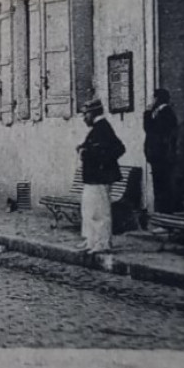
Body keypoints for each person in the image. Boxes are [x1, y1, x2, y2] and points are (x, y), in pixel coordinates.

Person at [77, 97, 125, 254]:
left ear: (92, 113)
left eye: (85, 115)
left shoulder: (102, 128)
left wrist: (98, 159)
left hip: (100, 176)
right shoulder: (98, 129)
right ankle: (91, 240)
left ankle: (102, 242)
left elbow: (118, 149)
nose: (84, 118)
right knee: (89, 210)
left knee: (99, 211)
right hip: (93, 177)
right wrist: (84, 149)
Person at [143, 88, 180, 215]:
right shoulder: (161, 112)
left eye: (153, 98)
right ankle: (162, 214)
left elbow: (150, 130)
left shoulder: (165, 113)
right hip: (159, 156)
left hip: (161, 156)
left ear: (157, 99)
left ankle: (164, 215)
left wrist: (147, 113)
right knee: (160, 185)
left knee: (162, 186)